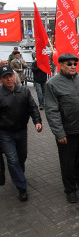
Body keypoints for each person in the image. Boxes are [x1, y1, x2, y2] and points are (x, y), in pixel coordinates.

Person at [45, 53, 79, 203]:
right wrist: (59, 133)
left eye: (75, 63)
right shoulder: (52, 84)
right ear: (61, 65)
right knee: (67, 163)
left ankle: (77, 177)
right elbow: (51, 110)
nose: (73, 66)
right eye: (69, 64)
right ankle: (70, 189)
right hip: (67, 132)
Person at [0, 65, 42, 201]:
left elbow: (33, 108)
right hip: (6, 133)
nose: (9, 80)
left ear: (14, 76)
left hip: (22, 131)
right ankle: (22, 187)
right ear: (1, 80)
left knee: (22, 157)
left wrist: (37, 121)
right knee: (12, 159)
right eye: (5, 78)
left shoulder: (23, 91)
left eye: (10, 76)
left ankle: (18, 174)